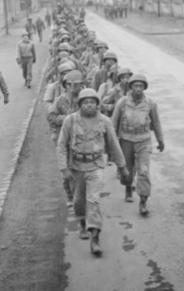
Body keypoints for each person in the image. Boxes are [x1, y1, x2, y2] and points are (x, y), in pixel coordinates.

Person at [57, 88, 129, 256]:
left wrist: (122, 166)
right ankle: (82, 223)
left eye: (92, 102)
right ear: (79, 105)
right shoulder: (70, 121)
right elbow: (61, 146)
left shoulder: (104, 121)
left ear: (97, 105)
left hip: (95, 166)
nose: (89, 105)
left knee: (93, 200)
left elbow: (113, 144)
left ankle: (95, 237)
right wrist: (64, 169)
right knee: (78, 201)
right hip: (76, 168)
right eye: (85, 103)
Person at [111, 74, 164, 214]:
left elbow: (156, 122)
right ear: (131, 87)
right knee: (127, 169)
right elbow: (113, 123)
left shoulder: (150, 103)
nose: (138, 89)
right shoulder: (122, 102)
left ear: (144, 88)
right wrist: (112, 143)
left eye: (141, 86)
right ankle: (128, 188)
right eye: (136, 86)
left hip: (144, 140)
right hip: (126, 140)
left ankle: (143, 202)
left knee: (144, 171)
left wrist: (160, 140)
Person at [47, 70, 84, 206]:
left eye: (77, 85)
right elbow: (51, 117)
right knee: (66, 171)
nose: (73, 88)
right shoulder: (60, 100)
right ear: (66, 85)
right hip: (64, 139)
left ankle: (80, 196)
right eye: (70, 85)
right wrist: (67, 119)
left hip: (82, 140)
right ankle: (69, 194)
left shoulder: (86, 100)